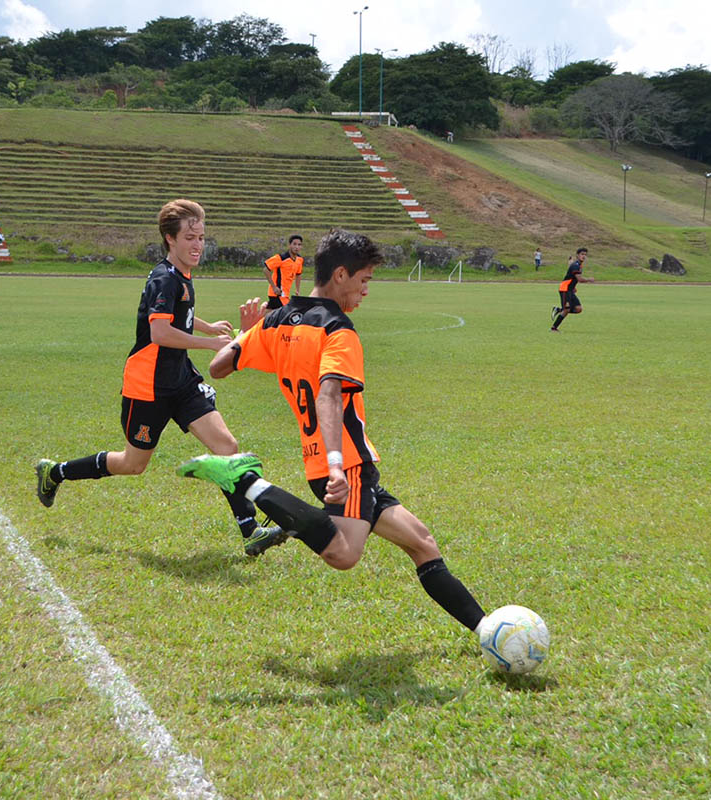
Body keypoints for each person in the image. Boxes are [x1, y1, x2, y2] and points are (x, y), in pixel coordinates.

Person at [176, 228, 489, 639]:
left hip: (322, 462)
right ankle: (246, 480)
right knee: (343, 553)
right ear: (340, 275)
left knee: (422, 543)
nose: (365, 292)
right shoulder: (339, 330)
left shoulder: (279, 319)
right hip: (345, 464)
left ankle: (487, 630)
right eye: (364, 281)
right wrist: (339, 464)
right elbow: (329, 392)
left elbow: (219, 366)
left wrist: (247, 335)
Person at [33, 199, 280, 553]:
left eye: (202, 237)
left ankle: (251, 530)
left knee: (226, 447)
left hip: (180, 379)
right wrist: (210, 344)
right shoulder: (165, 279)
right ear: (170, 239)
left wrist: (207, 326)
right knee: (133, 464)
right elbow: (160, 333)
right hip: (147, 385)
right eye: (190, 237)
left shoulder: (181, 276)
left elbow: (176, 318)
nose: (198, 245)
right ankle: (54, 472)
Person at [551, 247, 594, 332]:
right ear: (577, 255)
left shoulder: (579, 265)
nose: (584, 256)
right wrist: (589, 279)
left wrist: (573, 287)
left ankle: (558, 310)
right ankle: (554, 328)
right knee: (566, 309)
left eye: (585, 255)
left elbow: (571, 277)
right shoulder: (575, 265)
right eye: (582, 254)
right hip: (564, 289)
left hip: (569, 289)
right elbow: (580, 279)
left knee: (578, 309)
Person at [262, 234, 304, 311]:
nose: (296, 247)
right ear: (289, 245)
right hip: (277, 294)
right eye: (294, 244)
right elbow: (266, 269)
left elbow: (298, 274)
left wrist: (297, 290)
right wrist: (274, 287)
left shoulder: (299, 260)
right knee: (288, 314)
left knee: (269, 317)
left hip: (285, 295)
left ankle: (256, 321)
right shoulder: (281, 258)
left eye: (299, 244)